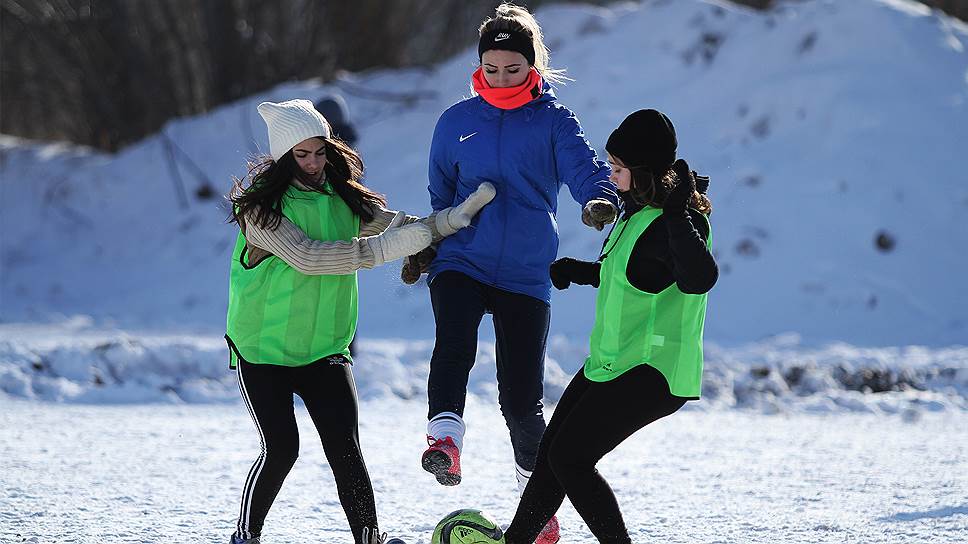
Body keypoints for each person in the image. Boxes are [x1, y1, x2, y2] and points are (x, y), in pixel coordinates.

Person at [224, 99, 494, 544]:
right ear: (282, 156)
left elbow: (404, 225)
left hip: (325, 348)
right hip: (262, 351)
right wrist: (388, 248)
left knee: (346, 449)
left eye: (320, 151)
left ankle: (370, 539)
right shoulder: (260, 211)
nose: (313, 164)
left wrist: (449, 220)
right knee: (281, 450)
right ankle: (246, 535)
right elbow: (309, 256)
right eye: (302, 155)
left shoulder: (344, 198)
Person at [407, 3, 620, 543]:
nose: (501, 78)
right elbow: (440, 191)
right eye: (492, 67)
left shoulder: (552, 119)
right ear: (480, 64)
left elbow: (584, 169)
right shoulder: (456, 121)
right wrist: (433, 240)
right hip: (463, 258)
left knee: (520, 398)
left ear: (532, 67)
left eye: (514, 68)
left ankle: (539, 506)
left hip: (526, 271)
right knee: (454, 342)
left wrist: (597, 200)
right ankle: (444, 440)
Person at [500, 109, 718, 543]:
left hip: (654, 369)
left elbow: (699, 279)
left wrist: (676, 215)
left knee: (571, 459)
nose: (611, 175)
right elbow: (634, 275)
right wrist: (579, 271)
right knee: (552, 456)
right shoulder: (635, 215)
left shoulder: (680, 221)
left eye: (618, 168)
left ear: (641, 172)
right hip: (614, 360)